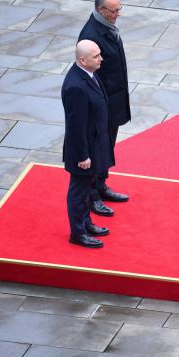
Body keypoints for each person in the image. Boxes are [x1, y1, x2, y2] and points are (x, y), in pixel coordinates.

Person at [78, 0, 130, 217]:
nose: (118, 14)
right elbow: (89, 77)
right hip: (102, 105)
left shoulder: (107, 26)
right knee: (98, 150)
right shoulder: (91, 37)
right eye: (114, 10)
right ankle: (93, 196)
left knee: (107, 148)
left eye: (119, 8)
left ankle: (101, 185)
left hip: (114, 100)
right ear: (100, 10)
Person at [61, 40, 114, 248]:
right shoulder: (75, 86)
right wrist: (83, 155)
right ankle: (78, 233)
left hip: (94, 145)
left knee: (85, 189)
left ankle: (86, 223)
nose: (101, 59)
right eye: (96, 56)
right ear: (82, 60)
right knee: (78, 191)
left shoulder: (89, 74)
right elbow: (75, 126)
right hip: (83, 151)